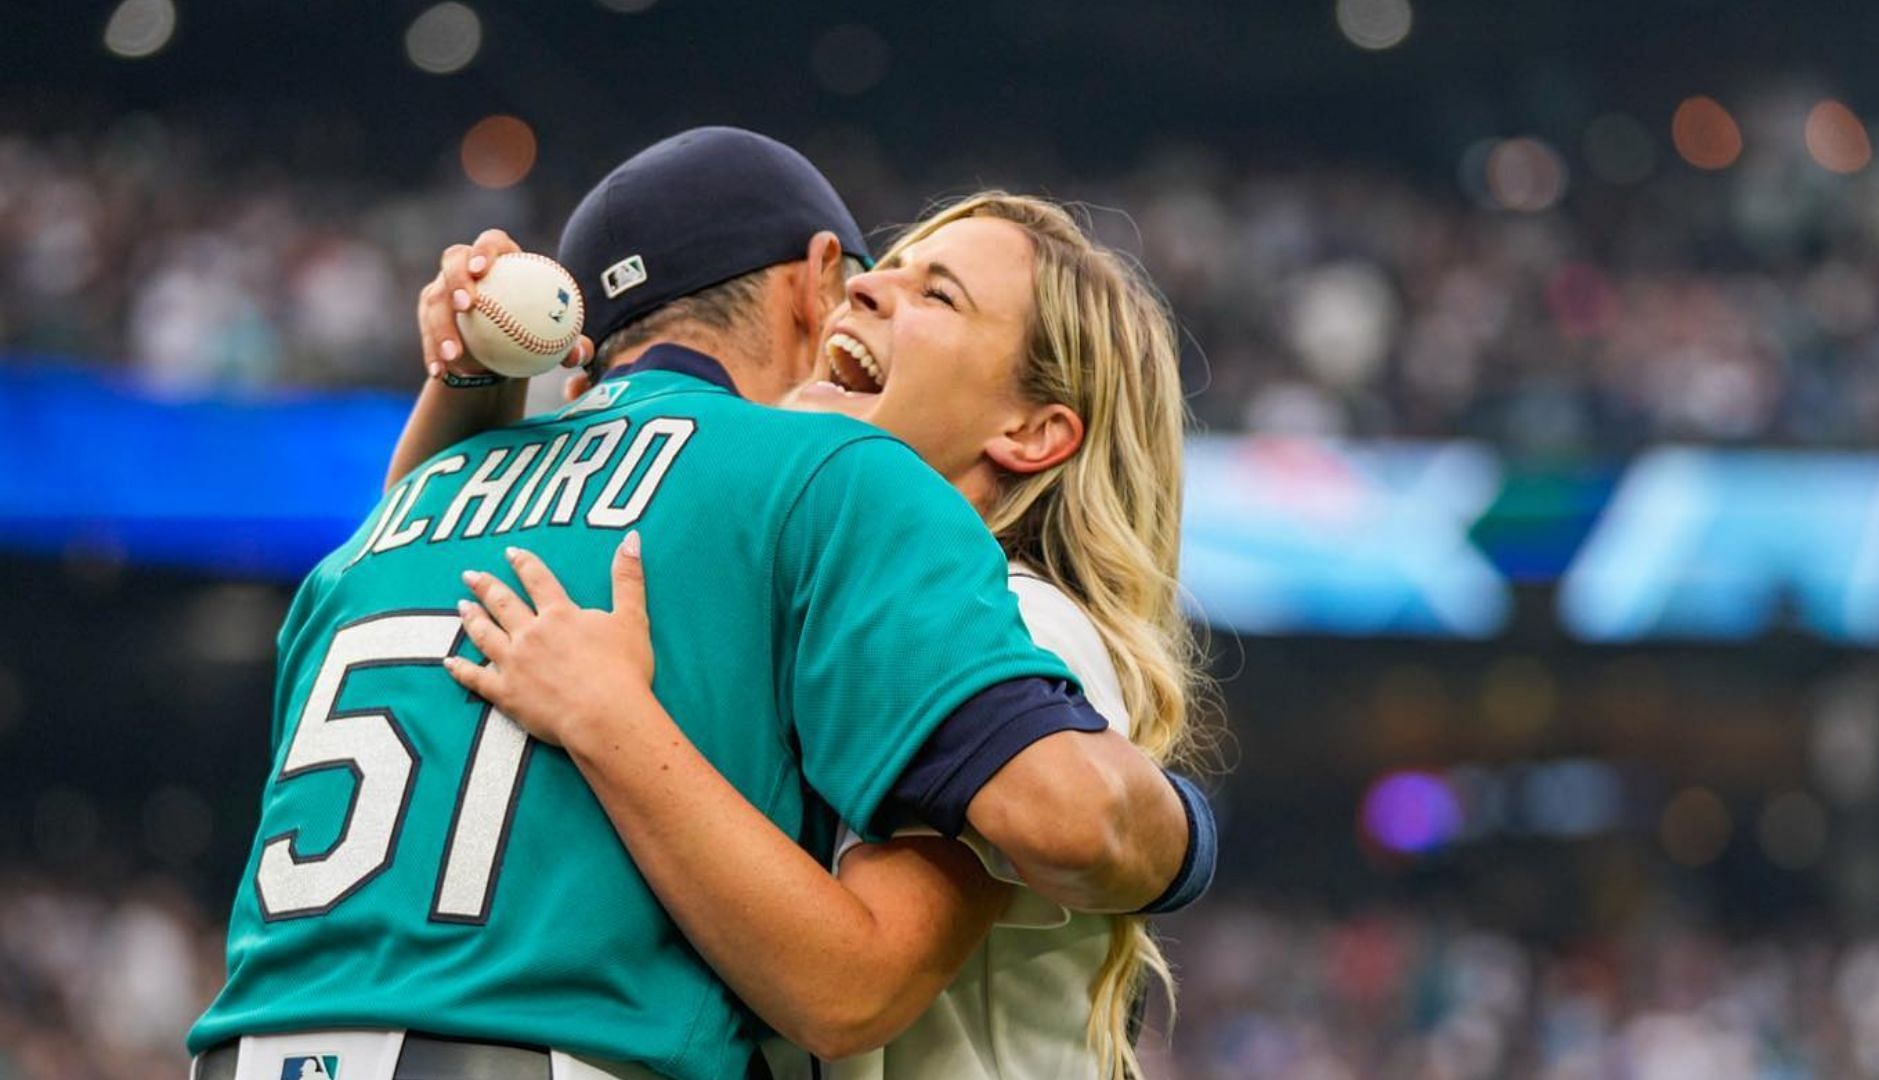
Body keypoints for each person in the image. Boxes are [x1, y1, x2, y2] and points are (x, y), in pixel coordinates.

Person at [187, 128, 1210, 1080]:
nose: (864, 300)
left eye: (933, 294)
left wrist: (1187, 831)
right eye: (866, 275)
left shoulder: (1017, 614)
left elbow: (1061, 826)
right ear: (810, 283)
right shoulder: (787, 525)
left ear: (1037, 432)